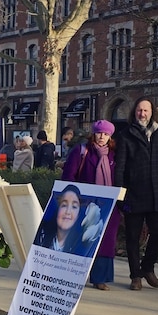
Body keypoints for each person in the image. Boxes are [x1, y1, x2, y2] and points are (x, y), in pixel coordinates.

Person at [114, 96, 158, 291]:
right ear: (135, 112)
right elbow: (120, 168)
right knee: (133, 238)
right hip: (134, 195)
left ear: (152, 113)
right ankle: (136, 276)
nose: (142, 114)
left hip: (157, 194)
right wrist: (120, 195)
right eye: (139, 110)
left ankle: (148, 268)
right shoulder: (125, 135)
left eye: (146, 110)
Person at [62, 119, 121, 290]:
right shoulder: (81, 151)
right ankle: (75, 275)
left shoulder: (114, 154)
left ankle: (100, 278)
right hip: (85, 204)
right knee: (82, 239)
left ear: (110, 136)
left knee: (106, 241)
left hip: (108, 204)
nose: (102, 137)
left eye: (105, 134)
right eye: (99, 133)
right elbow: (68, 177)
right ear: (93, 134)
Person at [34, 184, 83, 254]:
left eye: (74, 207)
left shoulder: (82, 245)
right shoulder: (40, 236)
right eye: (64, 205)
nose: (68, 212)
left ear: (78, 215)